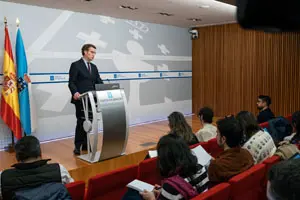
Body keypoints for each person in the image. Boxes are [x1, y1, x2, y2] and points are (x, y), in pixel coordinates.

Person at [124, 134, 209, 200]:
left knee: (132, 194)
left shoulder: (170, 187)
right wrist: (163, 191)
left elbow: (174, 191)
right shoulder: (201, 168)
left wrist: (151, 198)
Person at [0, 136, 74, 199]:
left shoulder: (3, 178)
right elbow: (72, 189)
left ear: (17, 157)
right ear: (40, 152)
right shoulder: (59, 170)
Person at [68, 44, 103, 155]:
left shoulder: (94, 67)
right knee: (82, 122)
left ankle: (85, 145)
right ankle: (77, 146)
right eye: (92, 52)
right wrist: (75, 92)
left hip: (92, 100)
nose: (94, 55)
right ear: (85, 52)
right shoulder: (75, 65)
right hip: (81, 99)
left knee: (90, 123)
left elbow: (98, 81)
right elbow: (71, 82)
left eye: (94, 53)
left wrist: (106, 89)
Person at [208, 116, 254, 186]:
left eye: (217, 133)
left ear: (223, 139)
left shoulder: (216, 166)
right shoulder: (247, 154)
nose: (216, 136)